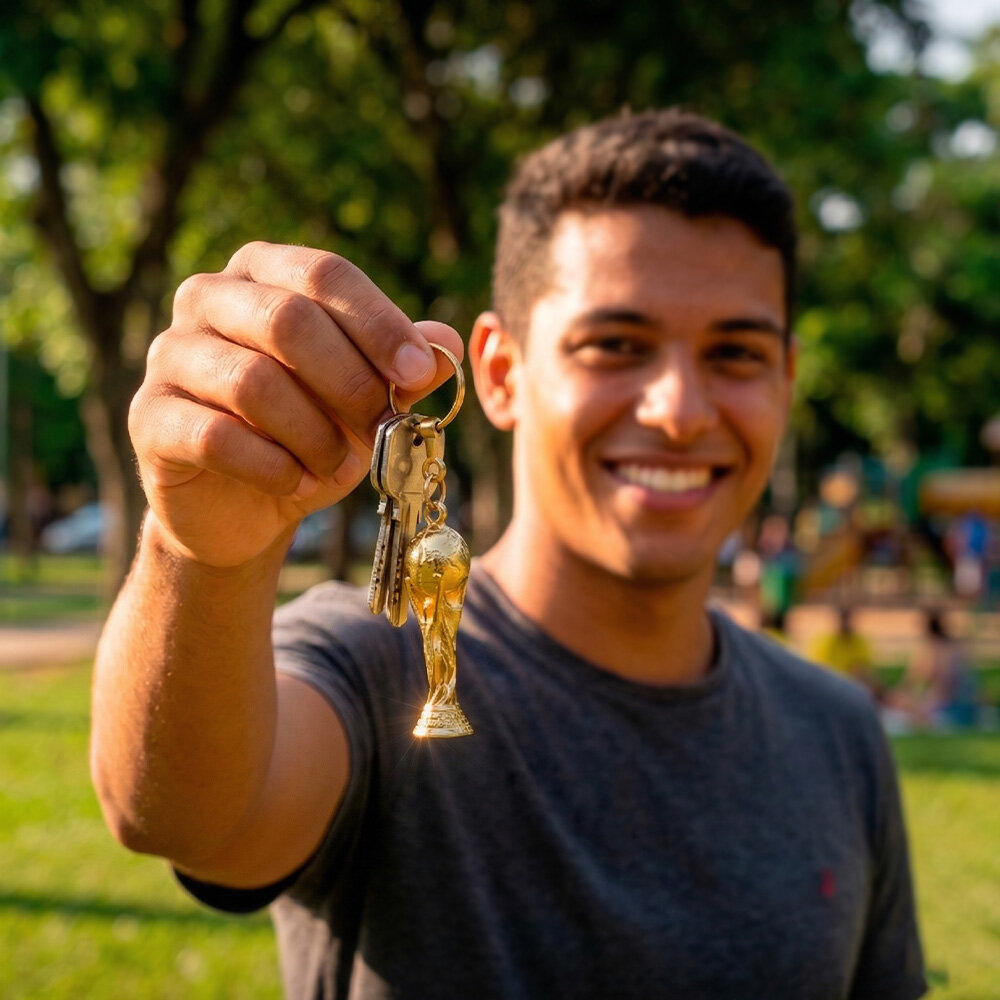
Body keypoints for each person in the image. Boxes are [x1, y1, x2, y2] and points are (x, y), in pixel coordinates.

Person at [90, 109, 926, 1000]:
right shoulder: (378, 669)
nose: (681, 408)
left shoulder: (838, 731)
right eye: (617, 345)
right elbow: (181, 815)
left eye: (736, 353)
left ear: (787, 380)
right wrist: (202, 558)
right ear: (496, 371)